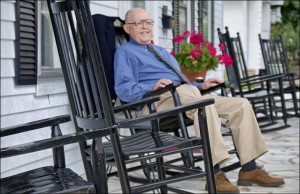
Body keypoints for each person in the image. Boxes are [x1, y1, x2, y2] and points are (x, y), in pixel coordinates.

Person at [114, 8, 285, 193]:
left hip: (184, 94)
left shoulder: (161, 51)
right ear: (127, 29)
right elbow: (123, 89)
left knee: (240, 105)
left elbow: (181, 83)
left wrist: (200, 86)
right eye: (139, 23)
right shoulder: (125, 52)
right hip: (156, 102)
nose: (145, 27)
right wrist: (152, 87)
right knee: (203, 105)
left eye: (148, 22)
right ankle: (215, 173)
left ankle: (249, 169)